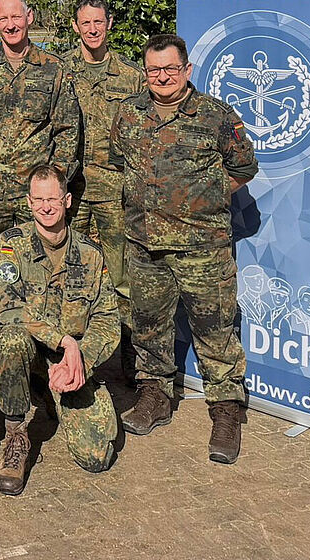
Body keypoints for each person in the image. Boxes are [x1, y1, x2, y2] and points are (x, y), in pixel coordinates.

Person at [110, 33, 258, 464]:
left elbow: (244, 166)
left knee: (215, 331)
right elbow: (122, 160)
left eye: (170, 69)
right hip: (145, 246)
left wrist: (207, 199)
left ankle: (226, 412)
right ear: (145, 72)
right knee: (150, 329)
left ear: (187, 70)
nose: (162, 77)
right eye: (154, 69)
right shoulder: (130, 114)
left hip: (202, 249)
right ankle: (155, 397)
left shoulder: (214, 116)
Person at [0, 165, 120, 495]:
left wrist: (82, 359)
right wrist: (62, 340)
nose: (46, 207)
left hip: (68, 361)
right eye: (38, 199)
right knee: (10, 339)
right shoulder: (12, 246)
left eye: (53, 199)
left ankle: (52, 393)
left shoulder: (90, 254)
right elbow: (6, 307)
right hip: (30, 349)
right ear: (29, 202)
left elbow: (106, 318)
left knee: (96, 455)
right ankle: (16, 434)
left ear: (68, 200)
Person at [0, 0, 81, 265]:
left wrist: (53, 189)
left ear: (29, 17)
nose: (10, 25)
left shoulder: (54, 69)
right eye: (3, 18)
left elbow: (68, 131)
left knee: (42, 268)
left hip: (37, 198)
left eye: (16, 16)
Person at [62, 0, 144, 384]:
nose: (92, 30)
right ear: (75, 27)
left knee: (123, 278)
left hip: (115, 191)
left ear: (109, 23)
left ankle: (131, 358)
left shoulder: (131, 76)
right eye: (85, 23)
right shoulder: (61, 70)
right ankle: (68, 354)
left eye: (98, 22)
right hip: (71, 192)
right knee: (68, 273)